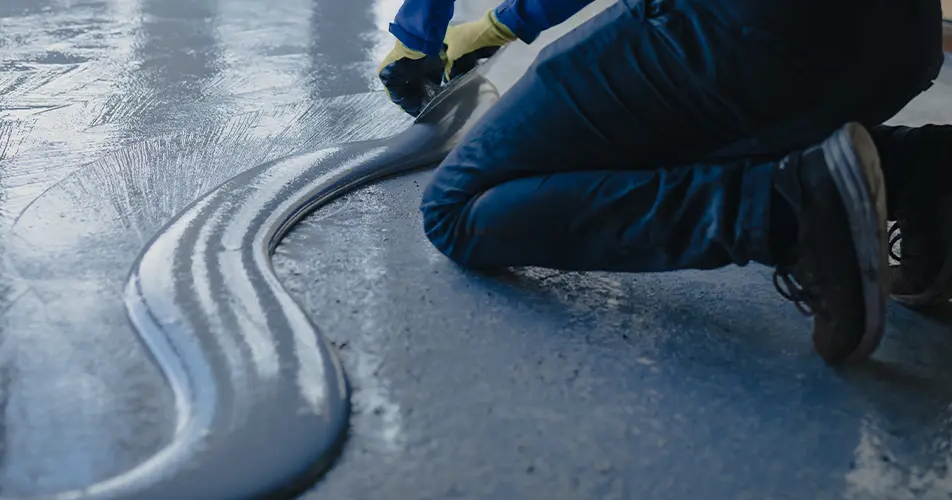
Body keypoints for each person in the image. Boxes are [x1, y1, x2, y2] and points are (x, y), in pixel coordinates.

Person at [376, 0, 952, 363]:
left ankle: (786, 212)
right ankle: (922, 172)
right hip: (905, 41)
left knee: (455, 210)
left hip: (748, 32)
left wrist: (430, 31)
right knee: (665, 132)